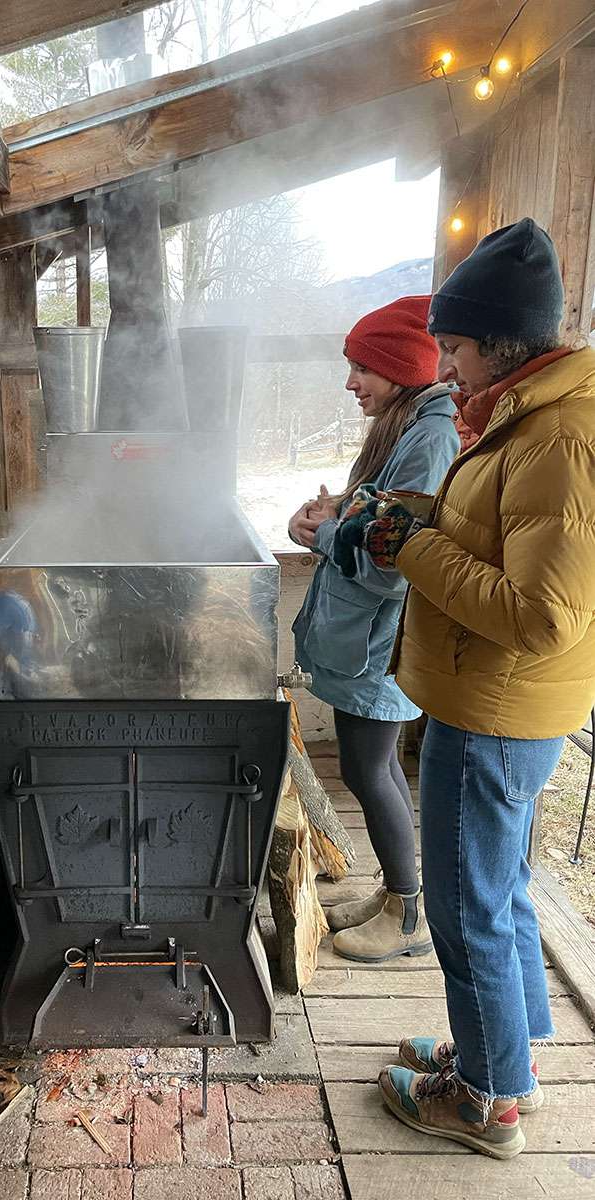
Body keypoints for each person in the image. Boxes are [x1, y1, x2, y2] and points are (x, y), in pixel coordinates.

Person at [336, 219, 595, 1158]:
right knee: (501, 890)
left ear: (501, 342)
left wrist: (415, 546)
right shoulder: (529, 417)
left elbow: (541, 613)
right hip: (500, 706)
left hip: (495, 710)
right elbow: (498, 536)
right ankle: (505, 1053)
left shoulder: (558, 441)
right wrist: (426, 515)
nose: (442, 367)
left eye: (453, 347)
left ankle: (485, 1103)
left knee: (465, 902)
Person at [289, 296, 459, 962]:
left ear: (401, 368)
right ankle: (396, 893)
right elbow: (377, 519)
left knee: (367, 768)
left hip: (381, 644)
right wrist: (328, 517)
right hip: (366, 639)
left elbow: (393, 563)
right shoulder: (404, 425)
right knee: (375, 766)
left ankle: (409, 916)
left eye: (362, 367)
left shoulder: (431, 435)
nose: (350, 382)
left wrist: (327, 532)